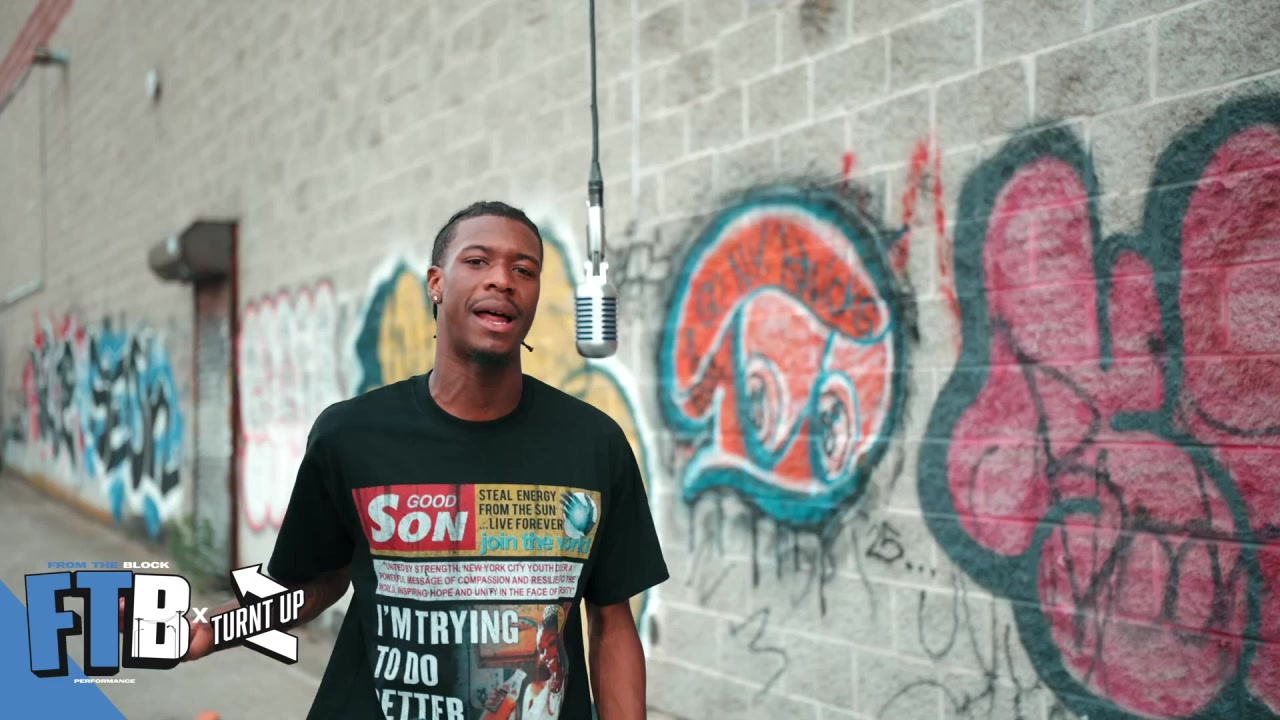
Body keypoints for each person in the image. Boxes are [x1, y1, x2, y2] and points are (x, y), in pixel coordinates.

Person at [166, 200, 668, 720]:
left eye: (524, 270)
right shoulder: (350, 436)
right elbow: (315, 582)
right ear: (436, 283)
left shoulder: (593, 444)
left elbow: (612, 622)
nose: (503, 280)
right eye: (477, 261)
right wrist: (210, 629)